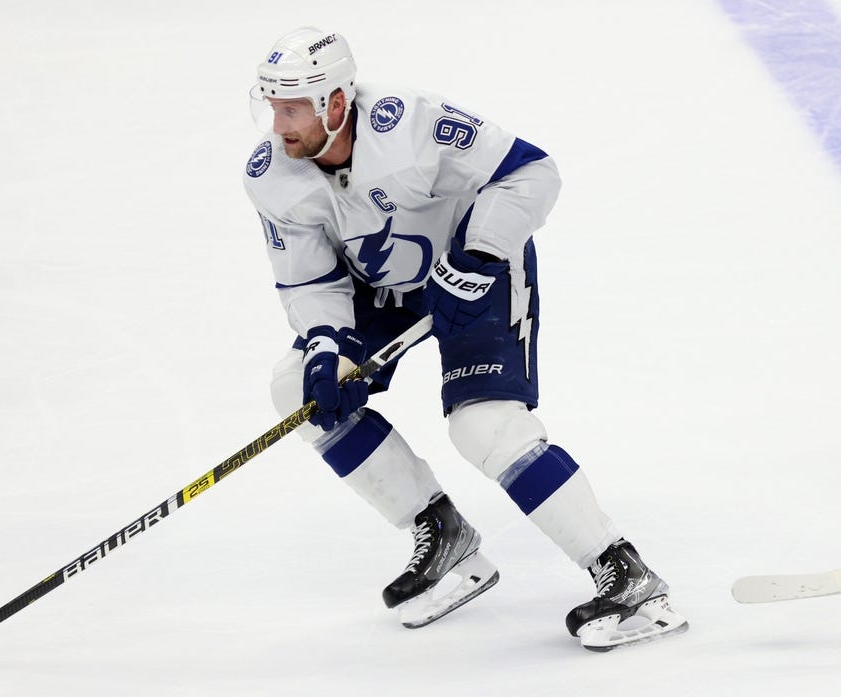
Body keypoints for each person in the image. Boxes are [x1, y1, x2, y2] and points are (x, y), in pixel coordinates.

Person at [242, 27, 688, 651]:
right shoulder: (273, 176)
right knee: (299, 389)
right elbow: (310, 278)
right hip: (382, 286)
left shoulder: (410, 125)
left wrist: (477, 259)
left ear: (334, 105)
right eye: (271, 106)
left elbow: (531, 171)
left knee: (485, 427)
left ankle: (624, 572)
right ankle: (441, 531)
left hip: (475, 270)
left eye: (290, 108)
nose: (277, 122)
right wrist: (325, 343)